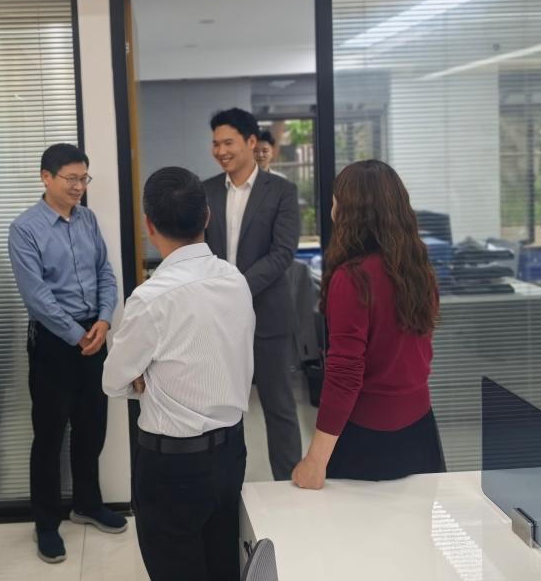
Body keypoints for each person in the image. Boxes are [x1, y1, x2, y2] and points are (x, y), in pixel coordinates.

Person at [104, 167, 255, 581]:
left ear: (149, 226)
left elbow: (113, 381)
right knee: (224, 567)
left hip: (172, 466)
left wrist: (145, 378)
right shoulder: (235, 280)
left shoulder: (150, 298)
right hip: (231, 454)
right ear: (207, 216)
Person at [292, 160, 445, 489]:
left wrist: (315, 461)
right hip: (421, 431)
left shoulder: (353, 279)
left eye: (336, 200)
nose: (332, 208)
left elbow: (344, 376)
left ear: (350, 212)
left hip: (368, 439)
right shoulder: (419, 271)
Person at [8, 143, 125, 563]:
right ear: (46, 177)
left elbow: (105, 273)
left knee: (93, 426)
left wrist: (105, 321)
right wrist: (77, 335)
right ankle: (46, 521)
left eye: (83, 178)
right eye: (71, 178)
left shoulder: (88, 219)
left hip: (95, 334)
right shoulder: (25, 229)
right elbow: (37, 296)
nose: (79, 187)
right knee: (50, 434)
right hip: (54, 342)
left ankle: (87, 504)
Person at [203, 108, 302, 481]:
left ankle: (289, 488)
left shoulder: (282, 192)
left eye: (228, 142)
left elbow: (282, 253)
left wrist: (236, 287)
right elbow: (198, 248)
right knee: (221, 409)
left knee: (279, 408)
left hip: (268, 317)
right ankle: (226, 488)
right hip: (217, 319)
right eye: (216, 144)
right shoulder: (206, 191)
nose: (221, 151)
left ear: (250, 142)